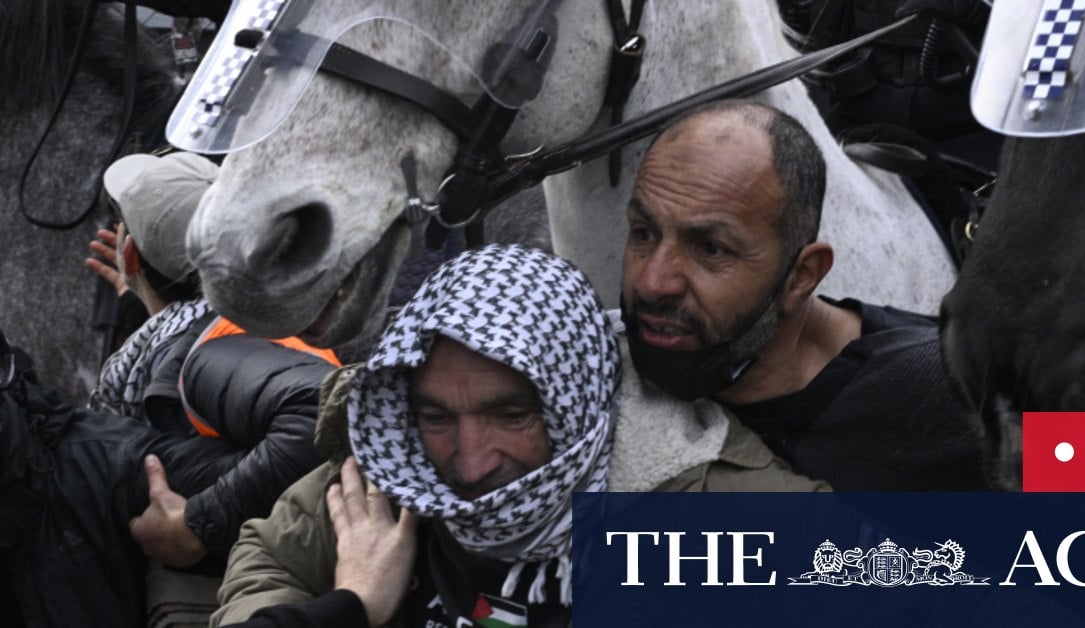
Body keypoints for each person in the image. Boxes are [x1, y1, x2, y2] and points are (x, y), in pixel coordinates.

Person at [211, 244, 828, 627]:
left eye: (512, 417)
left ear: (575, 398)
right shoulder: (392, 473)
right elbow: (269, 559)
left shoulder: (699, 503)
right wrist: (352, 605)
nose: (471, 465)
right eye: (437, 419)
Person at [0, 152, 338, 627]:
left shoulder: (206, 354)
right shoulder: (228, 327)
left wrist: (200, 523)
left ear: (130, 254)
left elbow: (322, 410)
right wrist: (146, 308)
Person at [619, 99, 989, 491]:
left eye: (711, 249)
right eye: (644, 232)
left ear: (800, 277)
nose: (653, 283)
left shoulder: (948, 389)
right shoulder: (598, 371)